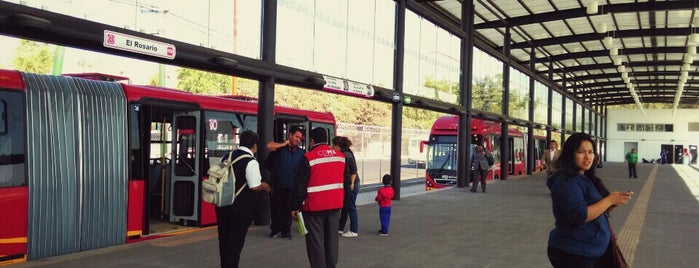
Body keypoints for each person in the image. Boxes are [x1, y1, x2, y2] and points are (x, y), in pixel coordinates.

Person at [546, 133, 632, 268]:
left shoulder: (586, 177)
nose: (587, 157)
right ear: (570, 154)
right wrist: (609, 200)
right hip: (574, 253)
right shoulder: (566, 181)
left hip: (593, 249)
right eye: (581, 152)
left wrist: (615, 201)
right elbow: (579, 216)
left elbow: (599, 209)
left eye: (591, 152)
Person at [215, 130, 271, 268]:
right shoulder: (251, 162)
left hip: (222, 205)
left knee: (224, 240)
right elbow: (254, 186)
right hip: (240, 209)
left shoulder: (225, 157)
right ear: (254, 146)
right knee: (235, 243)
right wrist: (264, 186)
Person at [291, 128, 345, 268]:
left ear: (312, 141)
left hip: (314, 208)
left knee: (316, 242)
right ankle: (331, 265)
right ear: (326, 140)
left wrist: (295, 207)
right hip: (334, 206)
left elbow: (300, 186)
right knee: (332, 241)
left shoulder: (308, 158)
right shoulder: (340, 157)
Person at [266, 126, 305, 240]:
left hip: (292, 186)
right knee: (276, 208)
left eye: (300, 138)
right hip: (278, 185)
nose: (298, 139)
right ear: (290, 135)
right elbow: (269, 147)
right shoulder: (279, 149)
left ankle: (286, 232)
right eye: (296, 137)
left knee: (288, 209)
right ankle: (275, 230)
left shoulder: (301, 153)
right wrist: (283, 144)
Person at [333, 136, 360, 238]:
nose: (332, 147)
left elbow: (354, 170)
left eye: (334, 145)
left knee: (350, 206)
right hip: (348, 184)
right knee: (345, 206)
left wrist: (351, 183)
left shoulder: (346, 155)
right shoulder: (345, 153)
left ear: (339, 145)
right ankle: (340, 228)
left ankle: (354, 229)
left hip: (352, 184)